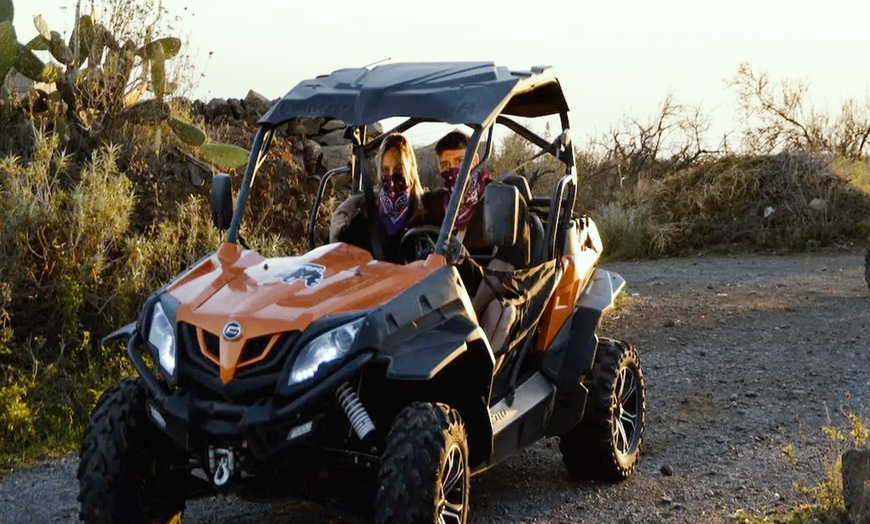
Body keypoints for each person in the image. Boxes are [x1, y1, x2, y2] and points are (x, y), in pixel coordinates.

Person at [430, 130, 530, 356]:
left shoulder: (500, 201)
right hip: (444, 293)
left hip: (490, 293)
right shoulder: (438, 203)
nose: (452, 170)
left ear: (474, 161)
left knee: (500, 313)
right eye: (445, 165)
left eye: (459, 161)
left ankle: (485, 382)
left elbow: (505, 267)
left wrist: (471, 309)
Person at [329, 132, 428, 263]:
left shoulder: (425, 213)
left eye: (398, 169)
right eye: (385, 170)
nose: (391, 177)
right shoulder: (364, 216)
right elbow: (342, 261)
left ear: (410, 170)